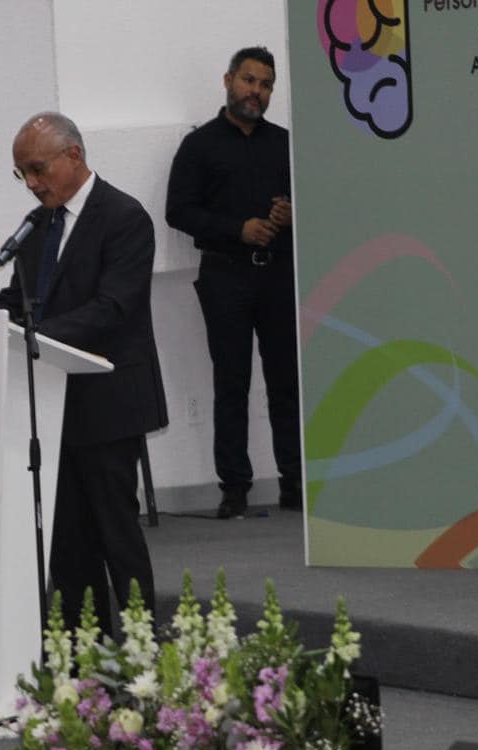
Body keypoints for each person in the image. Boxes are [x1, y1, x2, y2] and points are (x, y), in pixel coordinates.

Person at [0, 112, 168, 635]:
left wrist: (36, 335)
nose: (31, 182)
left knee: (116, 532)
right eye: (22, 173)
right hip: (51, 404)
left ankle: (141, 645)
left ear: (73, 155)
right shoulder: (36, 226)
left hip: (109, 403)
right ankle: (81, 645)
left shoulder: (124, 217)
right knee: (67, 537)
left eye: (37, 169)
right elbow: (17, 300)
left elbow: (114, 307)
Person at [166, 46, 302, 519]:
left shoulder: (285, 143)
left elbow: (317, 199)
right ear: (228, 81)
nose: (256, 92)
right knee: (231, 383)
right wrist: (236, 229)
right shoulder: (199, 146)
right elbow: (177, 211)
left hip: (280, 273)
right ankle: (235, 488)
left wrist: (294, 213)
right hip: (225, 274)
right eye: (249, 81)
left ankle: (295, 483)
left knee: (287, 381)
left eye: (265, 85)